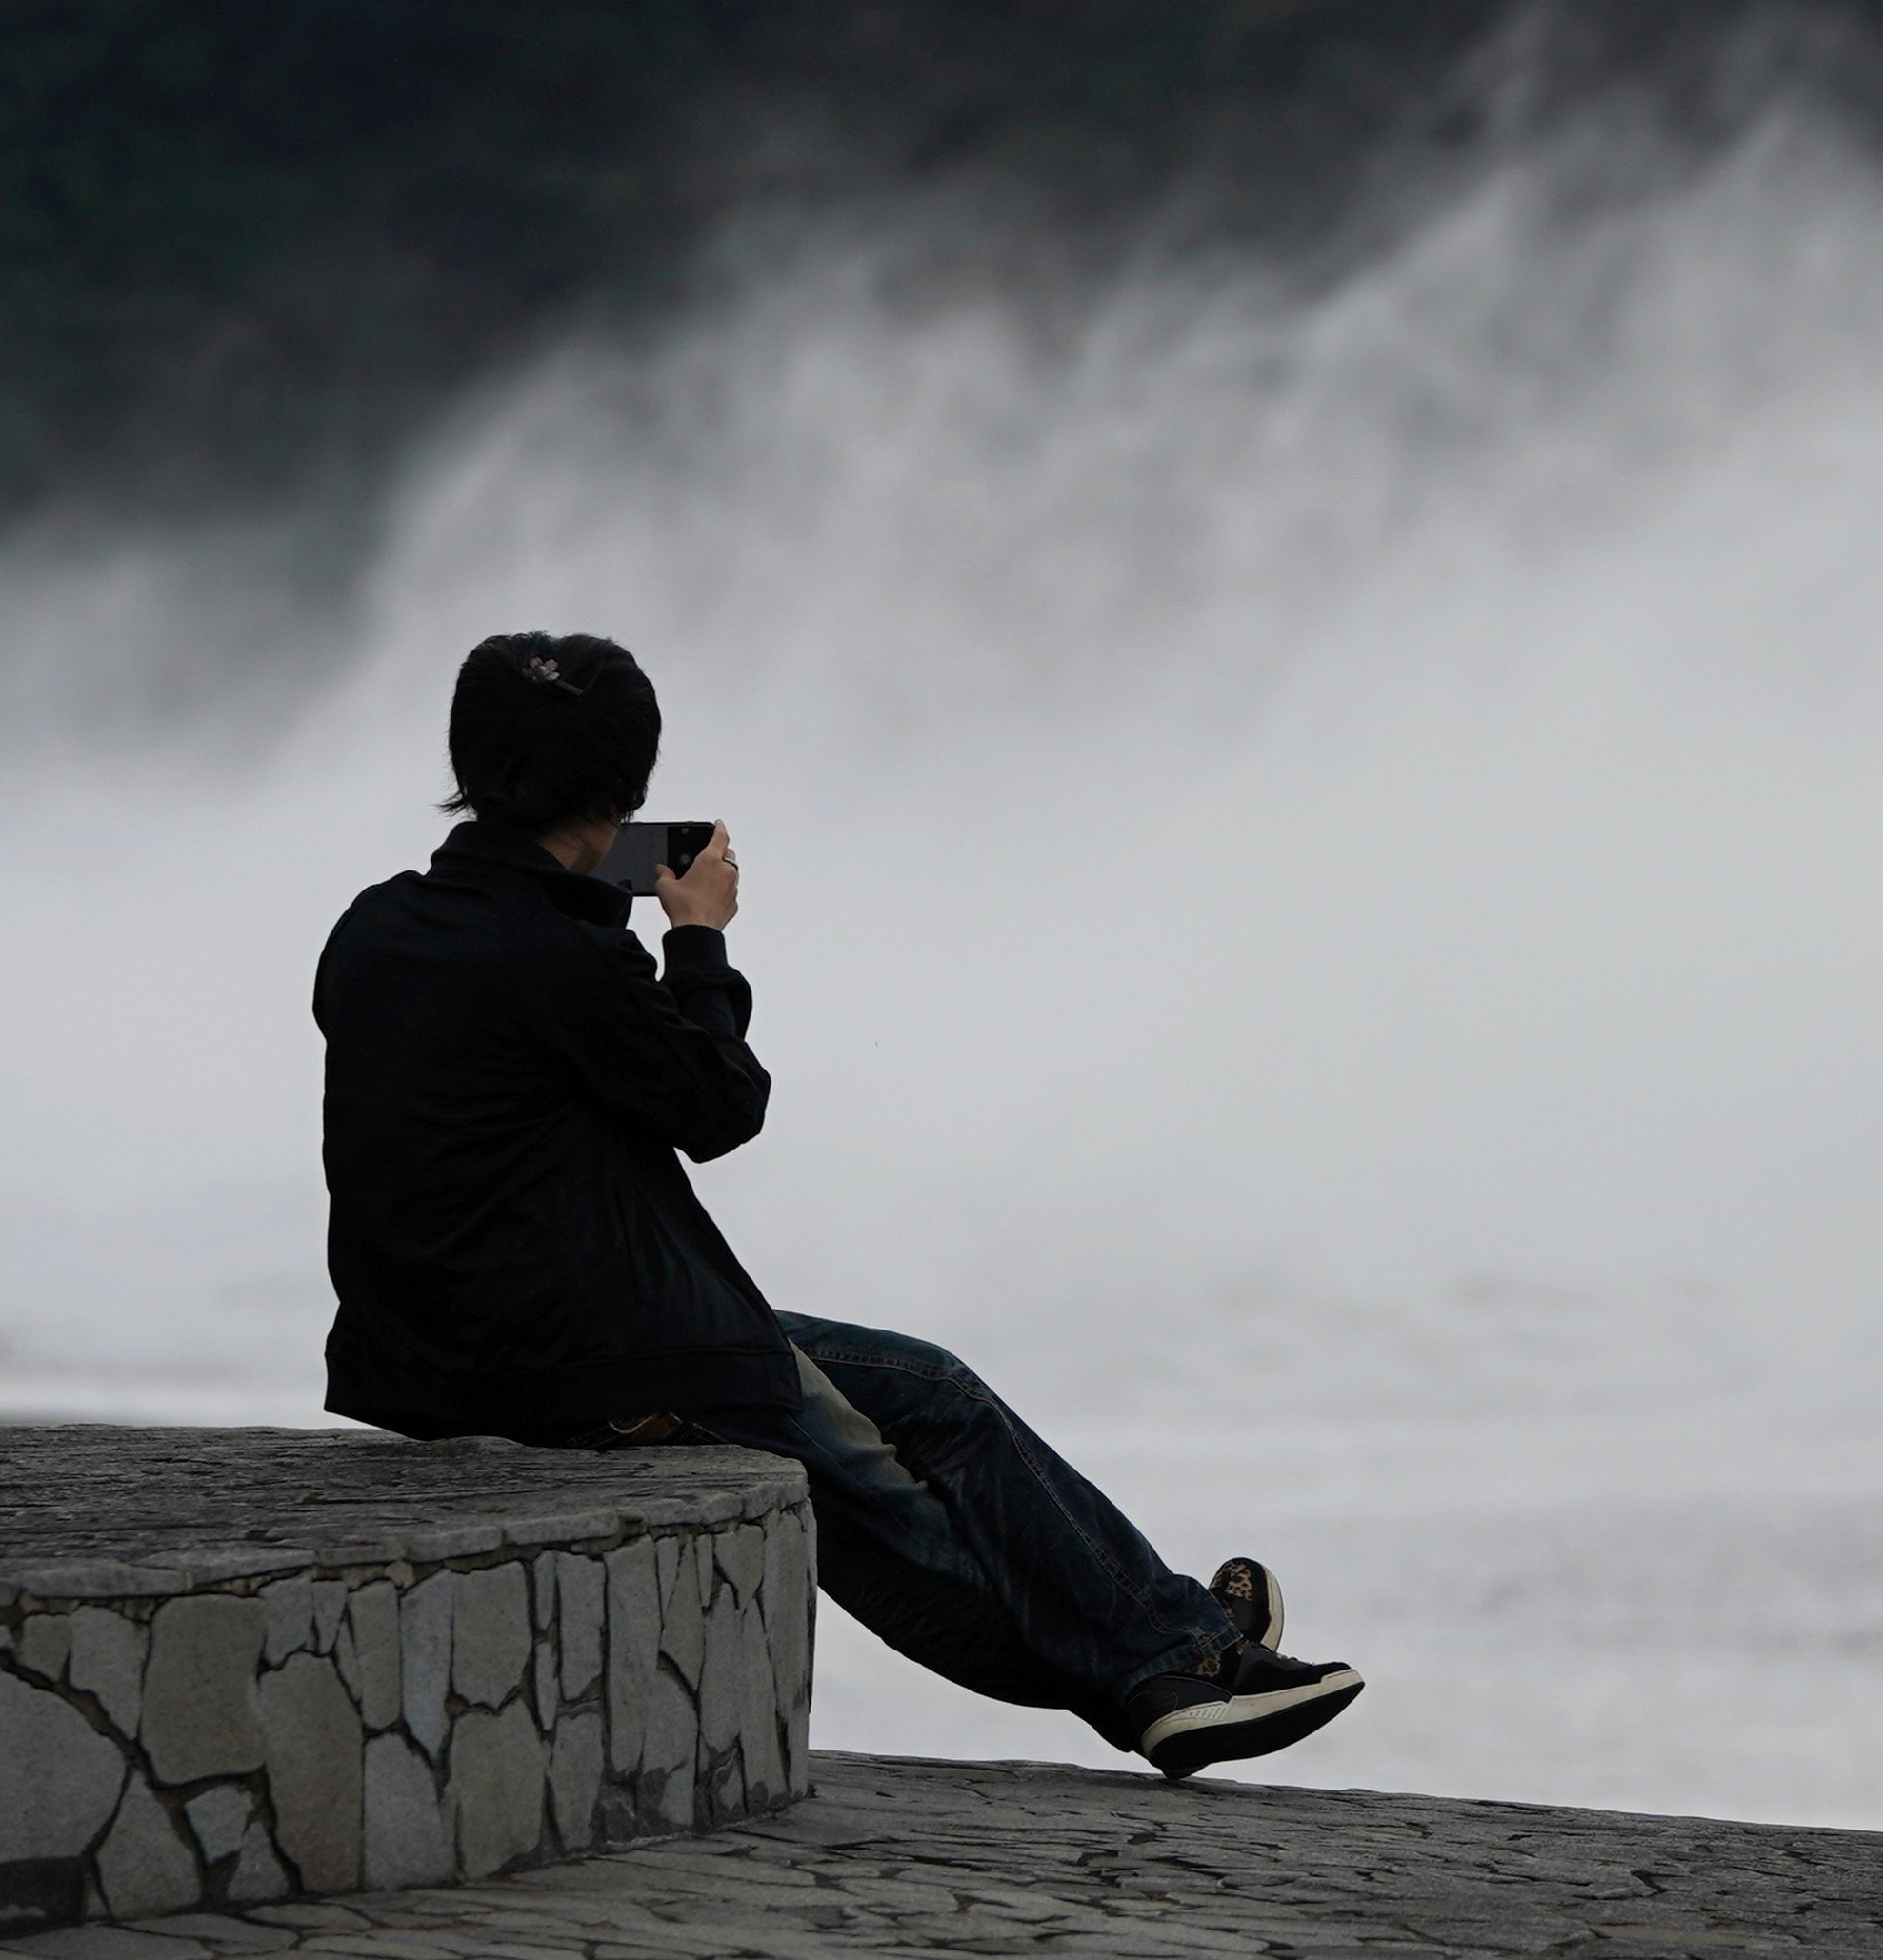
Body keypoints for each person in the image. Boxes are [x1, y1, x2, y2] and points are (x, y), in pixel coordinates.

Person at [314, 629, 1364, 1776]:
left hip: (432, 1351)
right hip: (597, 1363)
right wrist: (698, 938)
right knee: (896, 1520)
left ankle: (1176, 1644)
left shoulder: (380, 923)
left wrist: (591, 906)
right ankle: (1163, 1674)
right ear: (624, 787)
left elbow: (525, 1077)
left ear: (470, 767)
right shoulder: (560, 959)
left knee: (934, 1391)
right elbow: (717, 1104)